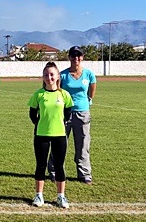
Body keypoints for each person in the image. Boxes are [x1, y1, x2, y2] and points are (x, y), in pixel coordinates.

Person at [28, 62, 74, 209]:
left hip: (60, 135)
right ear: (43, 77)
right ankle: (39, 195)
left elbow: (68, 113)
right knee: (40, 166)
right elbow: (32, 113)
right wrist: (40, 124)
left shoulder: (64, 94)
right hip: (41, 135)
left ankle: (61, 196)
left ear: (58, 76)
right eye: (46, 75)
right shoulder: (39, 94)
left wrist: (59, 124)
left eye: (52, 74)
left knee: (59, 166)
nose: (49, 77)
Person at [54, 45, 97, 184]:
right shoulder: (63, 75)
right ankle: (54, 171)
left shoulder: (88, 74)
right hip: (65, 113)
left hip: (82, 114)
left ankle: (84, 173)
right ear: (69, 57)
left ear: (82, 57)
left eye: (79, 55)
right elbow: (58, 91)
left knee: (83, 144)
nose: (76, 58)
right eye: (73, 55)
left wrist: (89, 101)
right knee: (59, 143)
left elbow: (92, 89)